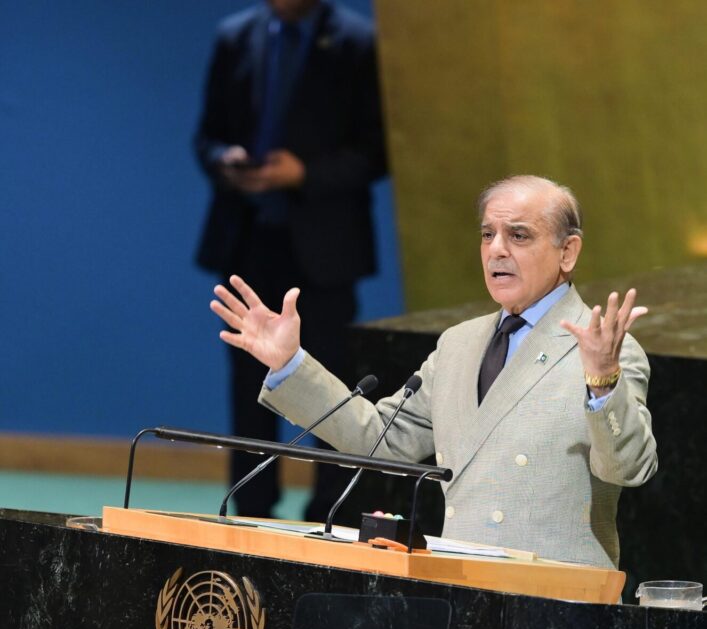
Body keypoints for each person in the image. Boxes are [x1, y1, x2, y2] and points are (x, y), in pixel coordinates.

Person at [210, 174, 658, 567]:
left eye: (519, 235)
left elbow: (628, 469)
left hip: (561, 607)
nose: (496, 250)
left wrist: (602, 381)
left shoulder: (604, 350)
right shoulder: (459, 344)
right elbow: (379, 441)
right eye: (487, 235)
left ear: (568, 252)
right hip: (461, 592)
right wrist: (289, 363)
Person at [193, 0, 387, 520]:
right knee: (247, 384)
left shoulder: (357, 41)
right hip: (247, 241)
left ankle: (332, 513)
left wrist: (303, 173)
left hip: (324, 248)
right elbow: (205, 136)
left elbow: (378, 150)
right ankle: (252, 510)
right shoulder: (235, 35)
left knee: (328, 381)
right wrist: (224, 160)